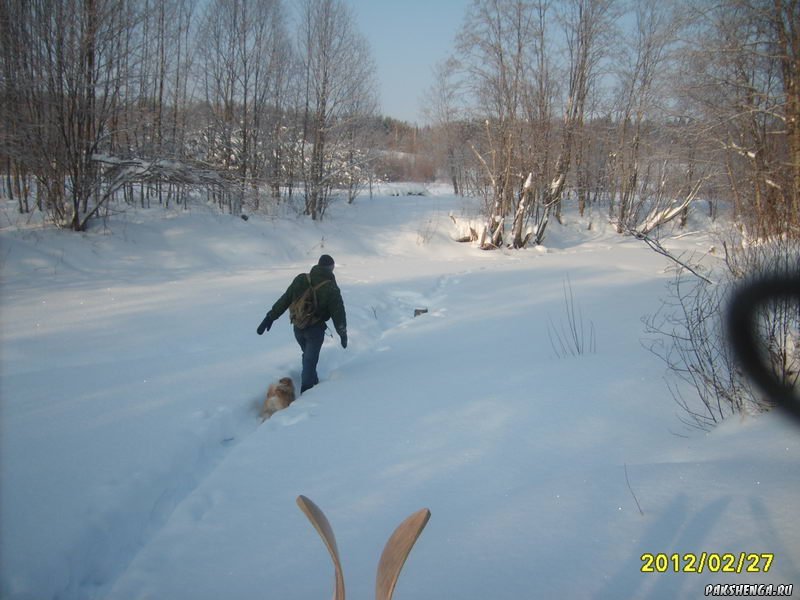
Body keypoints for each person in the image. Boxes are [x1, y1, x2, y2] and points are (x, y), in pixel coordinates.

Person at [257, 254, 347, 393]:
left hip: (298, 327)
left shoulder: (301, 279)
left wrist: (269, 318)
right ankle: (307, 392)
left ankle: (313, 380)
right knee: (310, 360)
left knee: (307, 357)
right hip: (315, 330)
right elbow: (338, 312)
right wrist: (342, 333)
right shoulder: (330, 288)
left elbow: (285, 299)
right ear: (331, 268)